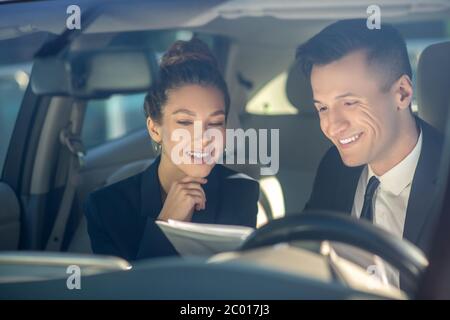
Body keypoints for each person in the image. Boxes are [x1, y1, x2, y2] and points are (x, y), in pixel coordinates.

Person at [84, 38, 259, 261]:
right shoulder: (106, 207)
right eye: (185, 123)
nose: (204, 139)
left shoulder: (242, 193)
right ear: (155, 129)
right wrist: (166, 224)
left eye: (215, 123)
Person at [296, 19, 443, 256]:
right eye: (322, 108)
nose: (332, 127)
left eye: (350, 103)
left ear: (402, 93)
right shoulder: (334, 166)